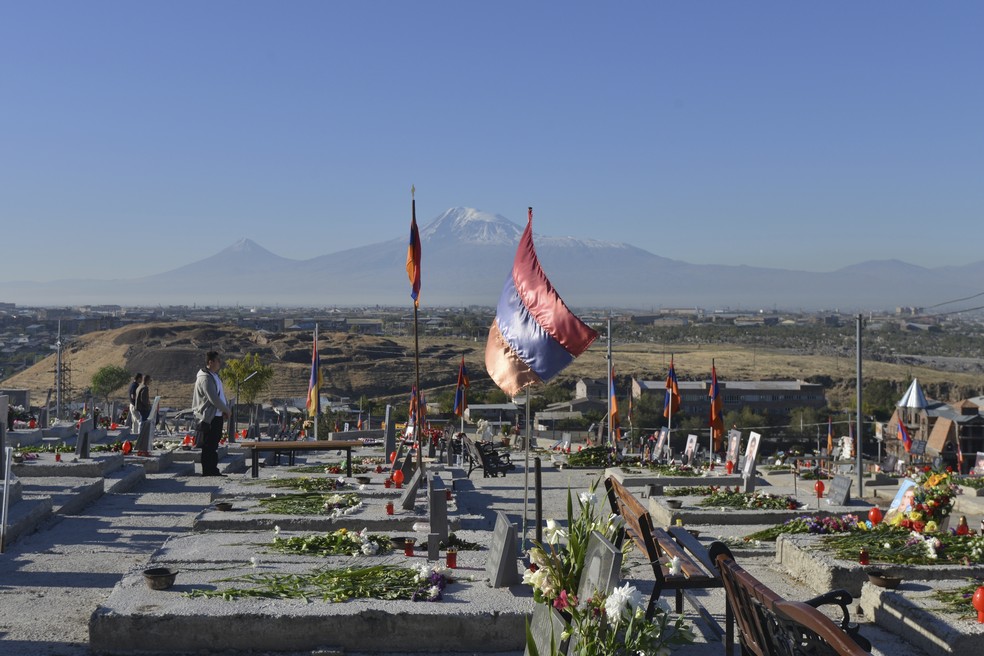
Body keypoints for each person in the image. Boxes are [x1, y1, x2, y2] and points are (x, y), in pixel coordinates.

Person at [192, 351, 231, 476]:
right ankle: (208, 470)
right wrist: (226, 409)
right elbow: (213, 398)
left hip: (217, 415)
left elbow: (220, 395)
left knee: (214, 444)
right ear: (210, 362)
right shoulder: (205, 378)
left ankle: (213, 469)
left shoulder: (214, 376)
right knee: (209, 445)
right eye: (217, 361)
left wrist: (224, 409)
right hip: (209, 416)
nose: (220, 363)